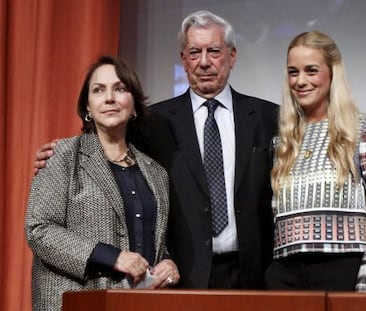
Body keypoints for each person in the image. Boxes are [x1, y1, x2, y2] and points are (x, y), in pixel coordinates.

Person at [34, 11, 279, 289]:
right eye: (194, 52)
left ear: (232, 56)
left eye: (214, 51)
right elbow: (108, 149)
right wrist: (60, 153)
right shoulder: (153, 123)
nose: (204, 62)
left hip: (255, 274)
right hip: (180, 275)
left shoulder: (268, 117)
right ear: (183, 60)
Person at [25, 55, 180, 311]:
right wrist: (114, 257)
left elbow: (154, 240)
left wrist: (167, 262)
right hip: (75, 302)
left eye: (120, 89)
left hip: (139, 304)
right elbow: (39, 230)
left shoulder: (156, 173)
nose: (109, 98)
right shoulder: (62, 154)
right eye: (99, 90)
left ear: (134, 105)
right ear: (87, 105)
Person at [265, 30, 366, 292]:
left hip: (344, 270)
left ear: (332, 73)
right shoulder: (282, 140)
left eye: (311, 70)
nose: (301, 81)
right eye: (293, 72)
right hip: (284, 274)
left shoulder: (364, 127)